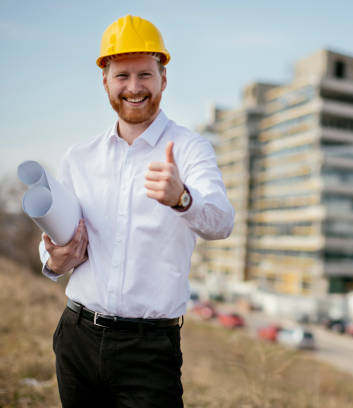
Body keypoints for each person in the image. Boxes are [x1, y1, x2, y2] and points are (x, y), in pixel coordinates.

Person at [38, 15, 234, 407]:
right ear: (105, 82)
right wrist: (54, 258)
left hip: (149, 350)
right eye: (122, 76)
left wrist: (182, 197)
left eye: (144, 74)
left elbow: (222, 222)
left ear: (163, 78)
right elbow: (52, 246)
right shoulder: (78, 158)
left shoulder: (190, 150)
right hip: (77, 335)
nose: (133, 87)